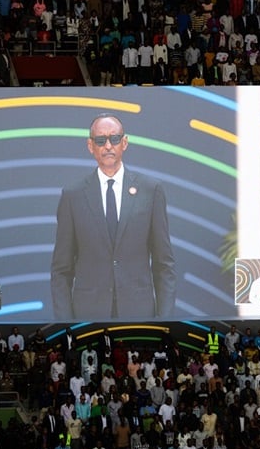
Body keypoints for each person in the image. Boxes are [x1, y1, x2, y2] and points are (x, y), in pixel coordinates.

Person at [50, 114, 176, 319]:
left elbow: (164, 265)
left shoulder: (151, 190)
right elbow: (61, 270)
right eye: (100, 140)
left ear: (124, 143)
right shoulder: (72, 195)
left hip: (139, 314)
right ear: (90, 146)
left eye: (114, 139)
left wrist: (166, 320)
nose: (108, 145)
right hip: (88, 316)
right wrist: (65, 325)